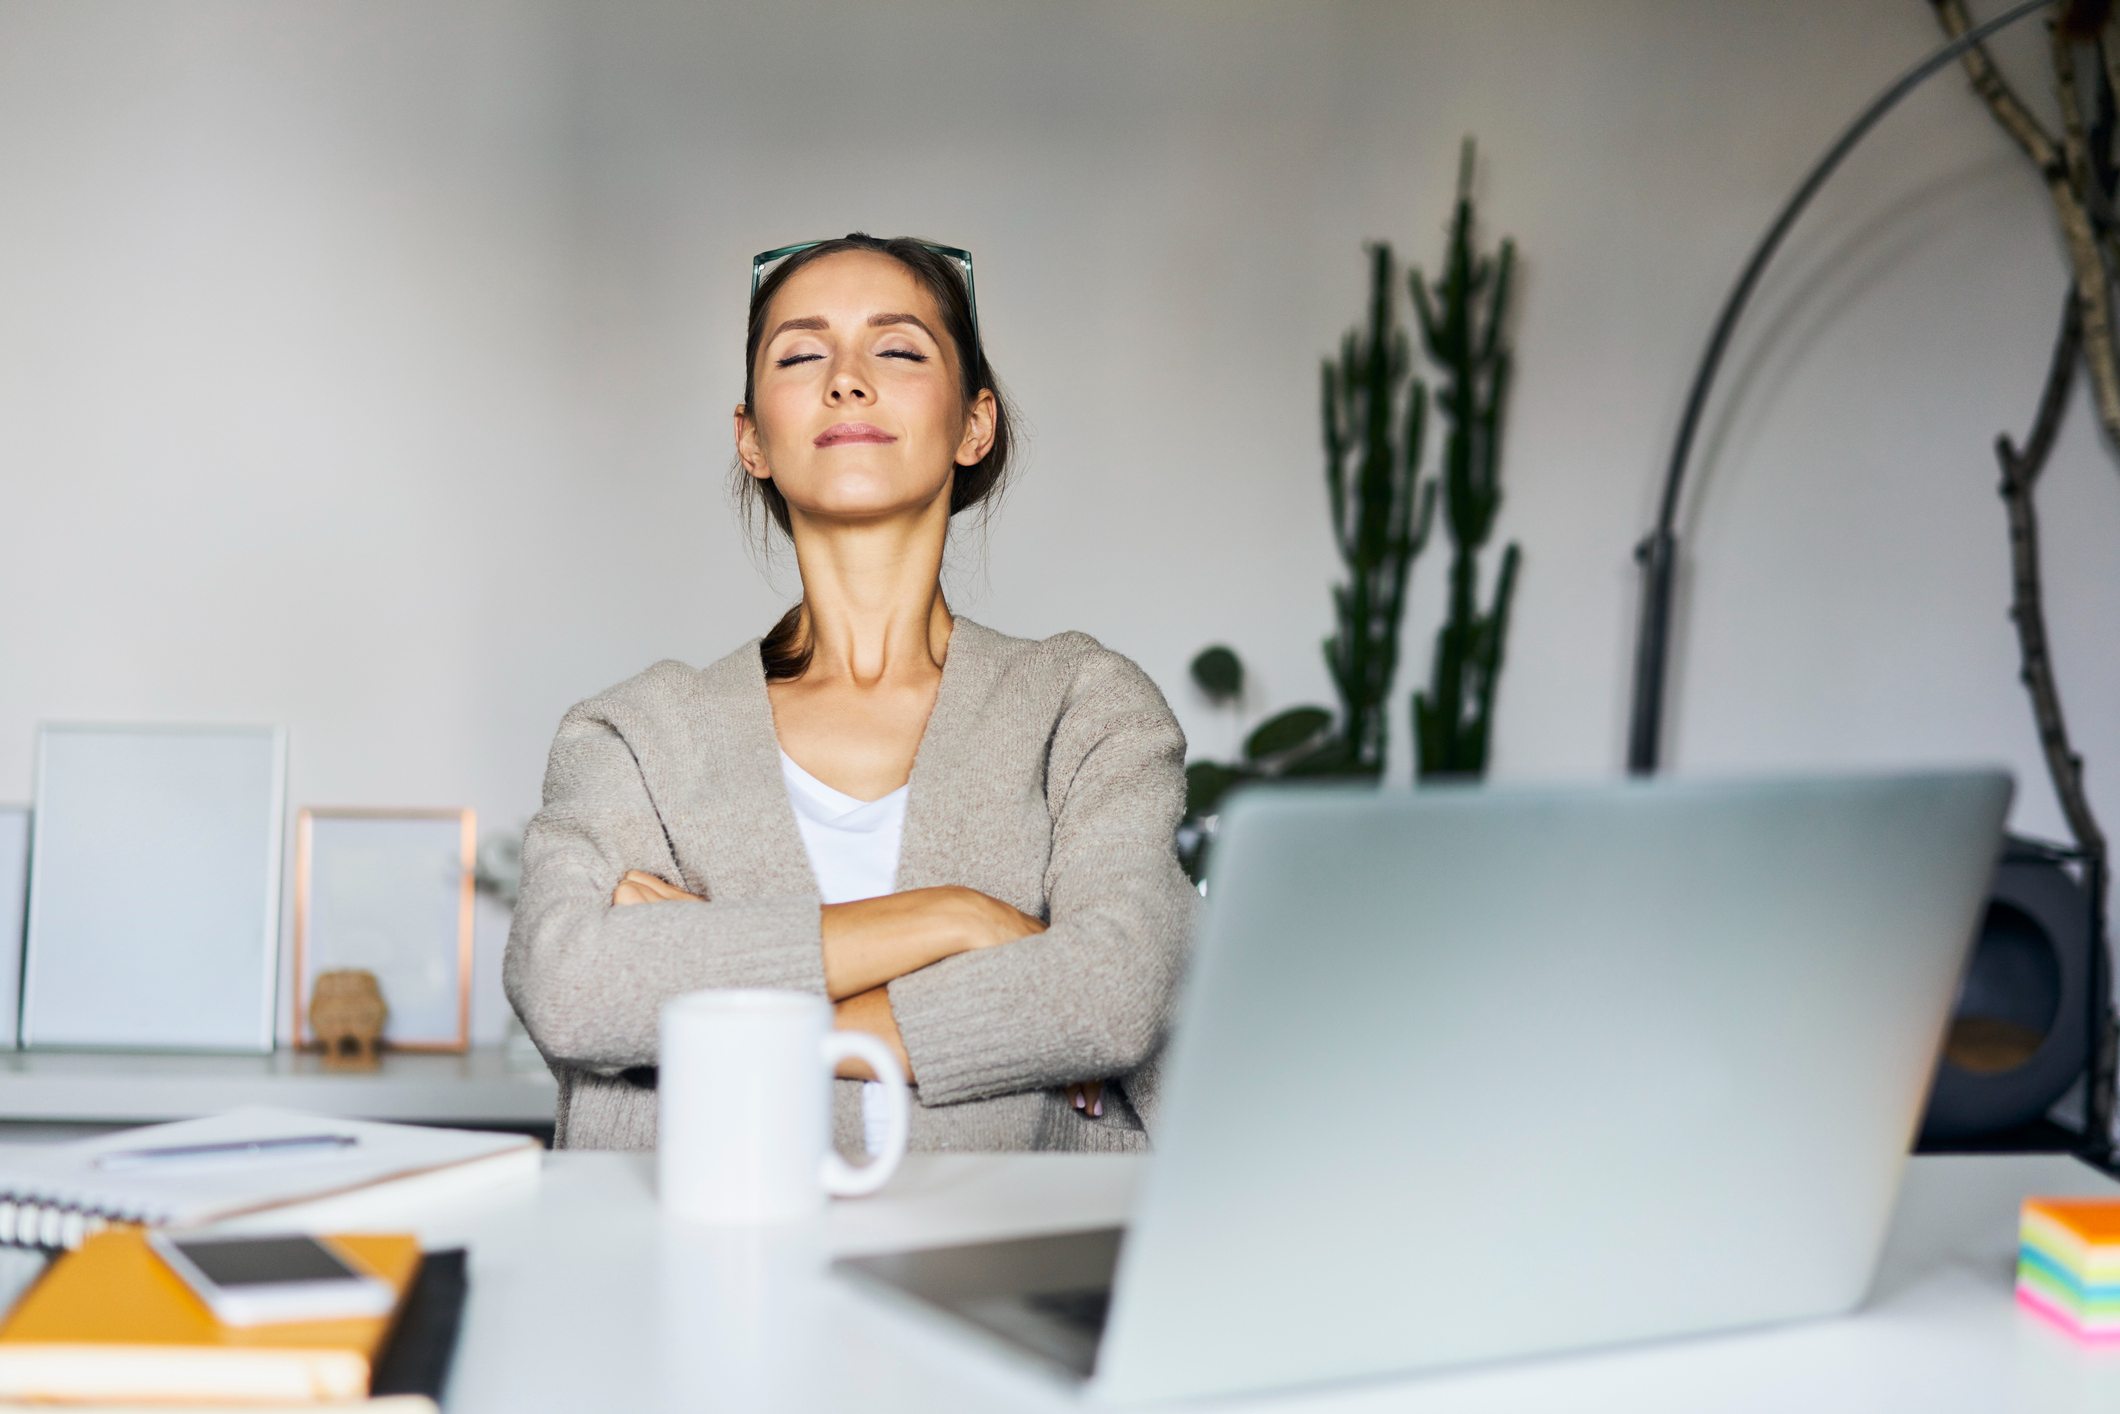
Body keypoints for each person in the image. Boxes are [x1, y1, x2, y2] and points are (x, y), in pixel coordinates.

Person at [502, 233, 1199, 1155]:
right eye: (800, 354)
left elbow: (1110, 994)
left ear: (974, 424)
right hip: (691, 1278)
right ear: (752, 437)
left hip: (1008, 1277)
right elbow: (573, 988)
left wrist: (721, 992)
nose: (847, 380)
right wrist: (959, 919)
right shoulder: (631, 735)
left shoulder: (1087, 709)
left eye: (899, 348)